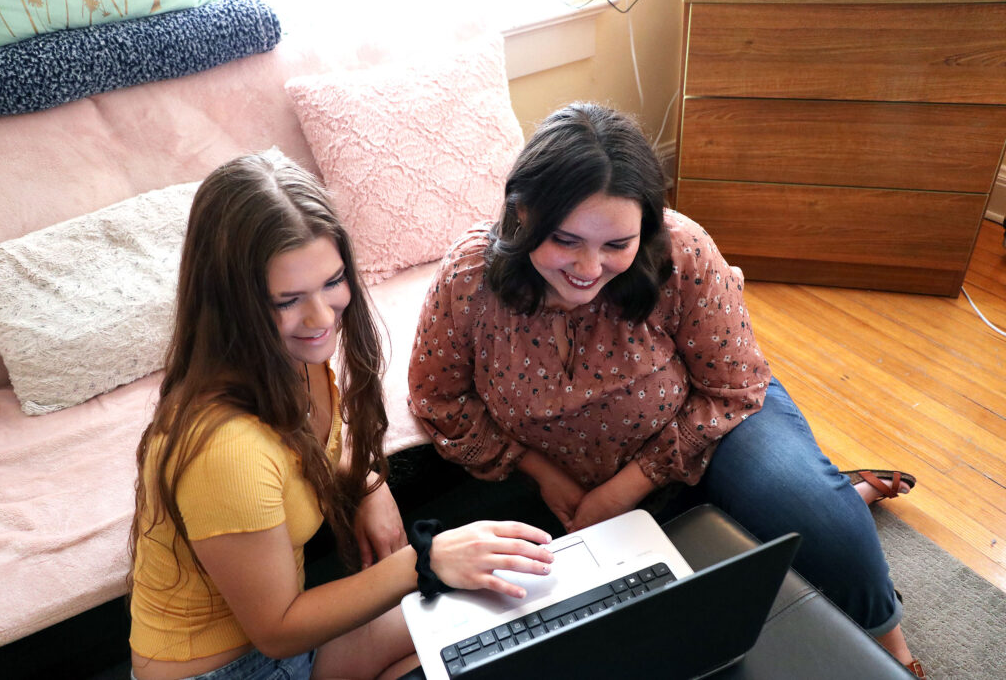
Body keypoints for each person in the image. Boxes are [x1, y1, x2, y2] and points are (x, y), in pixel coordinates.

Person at [407, 103, 924, 676]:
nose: (587, 267)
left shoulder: (682, 249)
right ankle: (841, 494)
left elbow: (733, 387)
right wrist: (540, 471)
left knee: (817, 518)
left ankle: (894, 650)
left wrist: (623, 489)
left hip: (709, 426)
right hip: (557, 472)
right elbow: (437, 401)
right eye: (565, 239)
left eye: (615, 245)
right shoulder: (467, 279)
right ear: (522, 214)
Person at [128, 150, 555, 680]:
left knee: (495, 620)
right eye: (286, 300)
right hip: (231, 668)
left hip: (288, 642)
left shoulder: (293, 358)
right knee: (466, 642)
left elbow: (329, 433)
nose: (319, 318)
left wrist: (370, 483)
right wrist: (424, 560)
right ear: (230, 303)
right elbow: (277, 631)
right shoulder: (226, 449)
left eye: (332, 283)